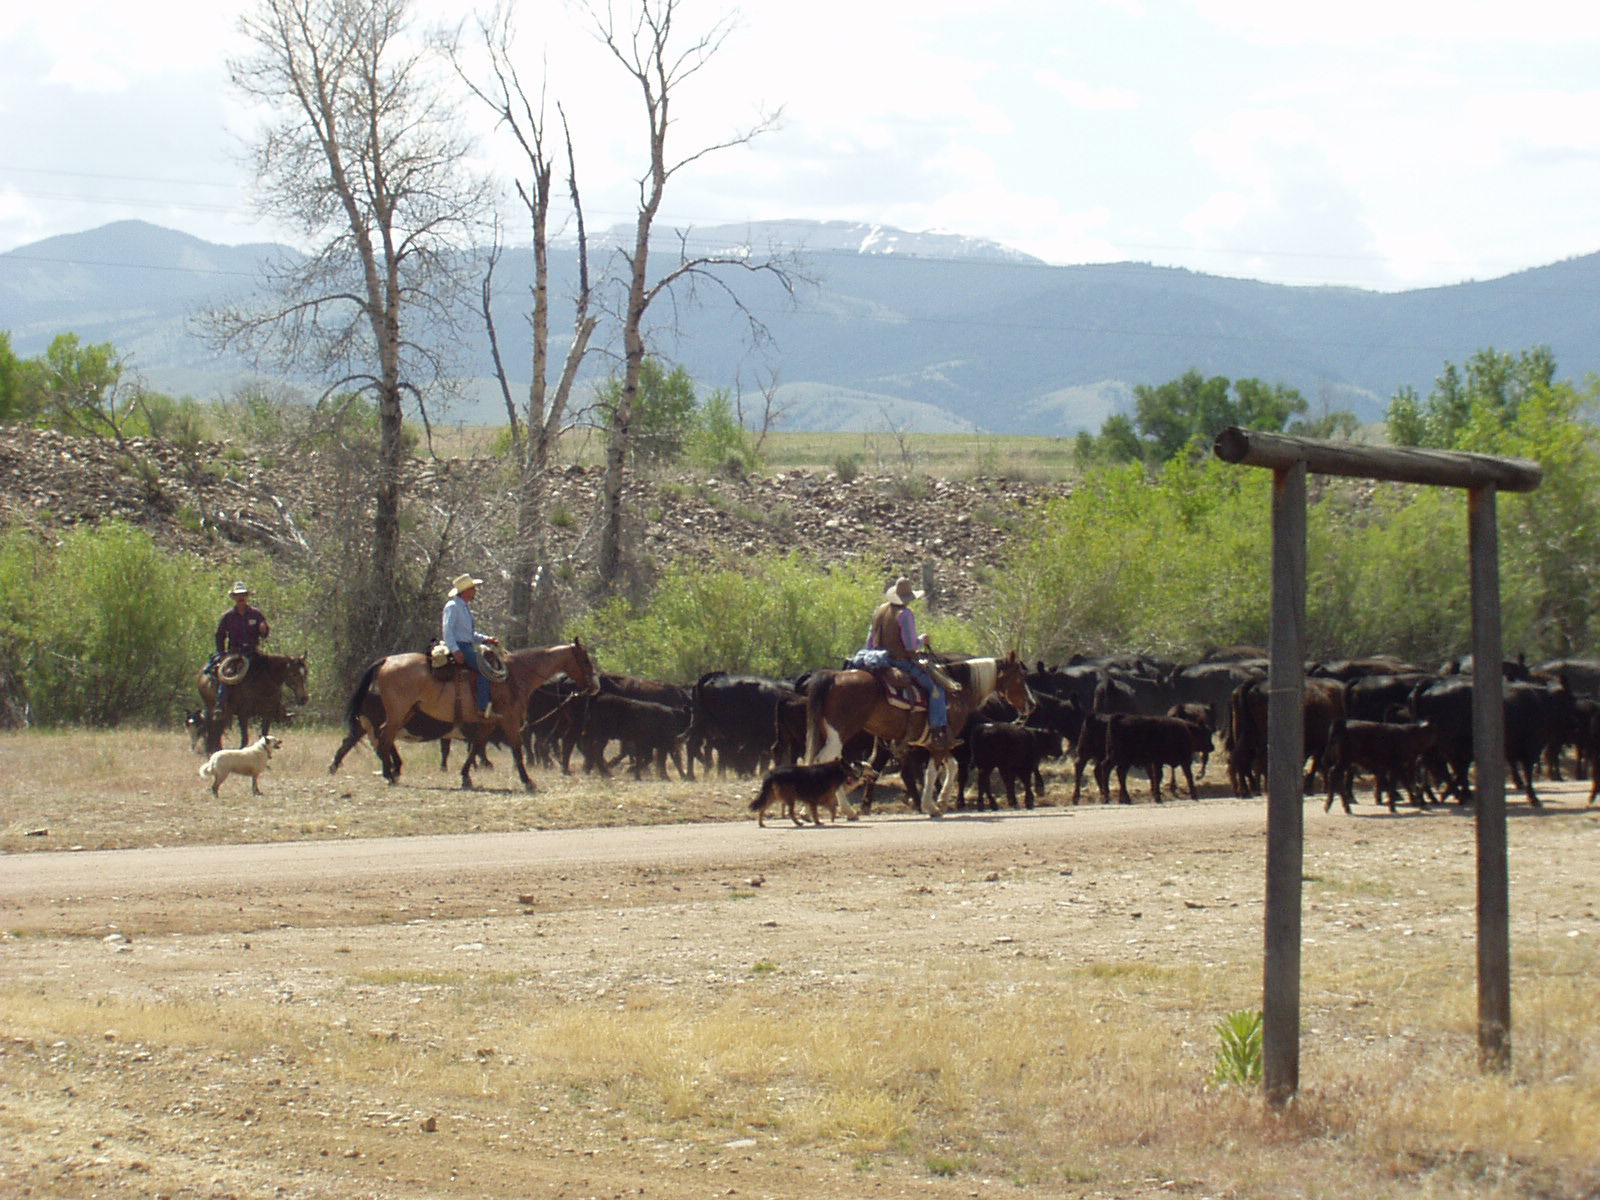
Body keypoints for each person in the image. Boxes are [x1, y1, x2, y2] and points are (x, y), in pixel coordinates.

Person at [857, 575, 954, 751]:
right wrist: (923, 640)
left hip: (876, 659)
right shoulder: (905, 615)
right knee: (936, 688)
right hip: (900, 662)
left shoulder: (879, 611)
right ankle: (937, 732)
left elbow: (870, 642)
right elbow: (910, 645)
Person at [442, 573, 500, 718]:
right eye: (473, 588)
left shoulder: (464, 607)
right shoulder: (453, 606)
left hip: (466, 645)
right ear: (465, 591)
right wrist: (455, 650)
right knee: (485, 669)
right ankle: (482, 707)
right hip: (461, 646)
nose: (475, 591)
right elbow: (447, 630)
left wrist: (486, 640)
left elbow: (470, 634)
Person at [211, 581, 269, 707]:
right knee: (227, 676)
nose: (241, 597)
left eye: (243, 595)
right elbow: (220, 636)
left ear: (247, 597)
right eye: (238, 595)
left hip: (253, 653)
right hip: (235, 653)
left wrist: (264, 630)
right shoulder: (228, 616)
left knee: (270, 673)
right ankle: (220, 706)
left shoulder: (256, 614)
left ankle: (277, 708)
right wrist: (222, 654)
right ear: (234, 597)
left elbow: (264, 634)